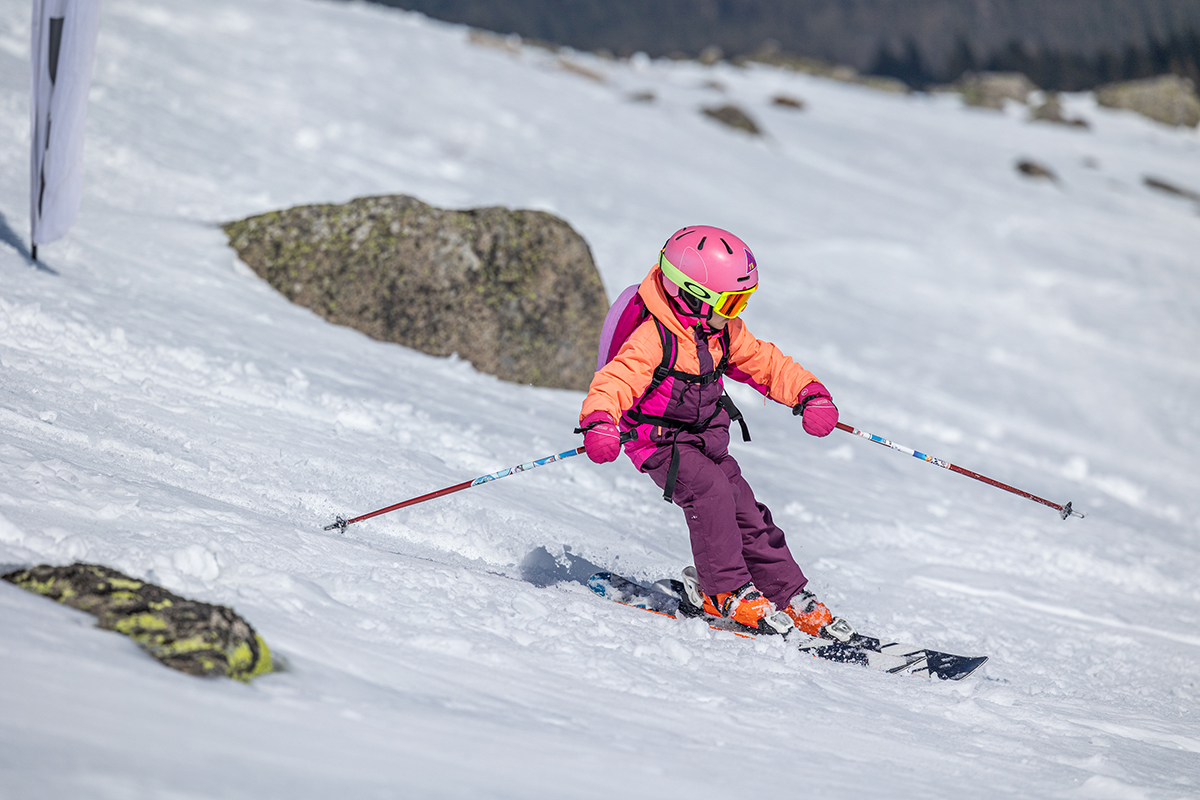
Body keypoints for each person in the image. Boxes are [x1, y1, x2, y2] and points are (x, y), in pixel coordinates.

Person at [577, 225, 853, 640]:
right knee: (710, 493)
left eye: (743, 300)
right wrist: (600, 422)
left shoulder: (720, 329)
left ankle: (790, 596)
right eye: (732, 300)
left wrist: (808, 394)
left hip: (705, 439)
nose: (736, 311)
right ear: (692, 293)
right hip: (657, 442)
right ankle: (723, 593)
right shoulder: (655, 336)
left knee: (747, 511)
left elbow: (766, 363)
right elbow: (616, 380)